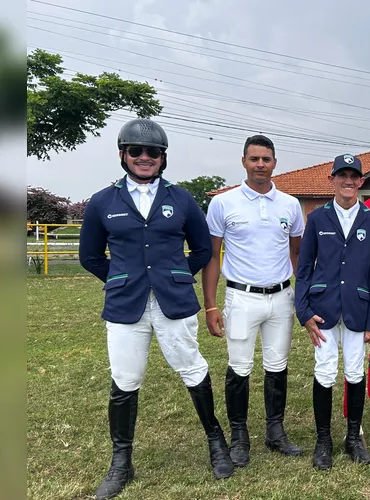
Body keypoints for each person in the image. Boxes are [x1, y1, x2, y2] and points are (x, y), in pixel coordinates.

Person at [79, 118, 234, 499]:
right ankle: (121, 462)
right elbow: (90, 256)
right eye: (137, 151)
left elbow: (202, 250)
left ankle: (217, 443)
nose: (145, 157)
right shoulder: (103, 201)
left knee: (193, 368)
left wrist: (176, 276)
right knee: (125, 379)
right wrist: (122, 278)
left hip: (174, 302)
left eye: (153, 152)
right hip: (126, 305)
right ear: (123, 155)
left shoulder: (181, 199)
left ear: (163, 158)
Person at [202, 135, 305, 467]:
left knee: (277, 366)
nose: (260, 164)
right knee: (240, 368)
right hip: (241, 298)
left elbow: (298, 255)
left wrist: (301, 296)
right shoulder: (223, 203)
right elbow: (212, 256)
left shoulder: (290, 204)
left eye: (266, 159)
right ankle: (240, 436)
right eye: (254, 159)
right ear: (243, 161)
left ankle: (275, 432)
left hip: (280, 297)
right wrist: (211, 305)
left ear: (275, 162)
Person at [295, 153, 370, 470]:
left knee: (354, 372)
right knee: (324, 371)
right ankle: (323, 441)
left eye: (354, 176)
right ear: (331, 179)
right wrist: (303, 311)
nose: (348, 181)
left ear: (361, 181)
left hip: (358, 310)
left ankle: (352, 439)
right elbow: (304, 268)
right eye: (342, 175)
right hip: (323, 310)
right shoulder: (318, 219)